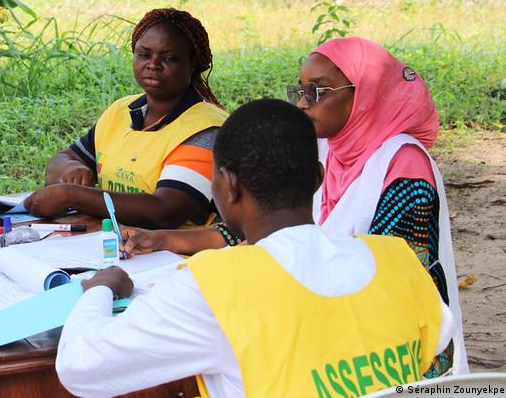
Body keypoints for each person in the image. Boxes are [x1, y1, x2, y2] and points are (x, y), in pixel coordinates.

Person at [55, 99, 455, 398]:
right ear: (316, 179)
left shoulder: (214, 288)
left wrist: (100, 290)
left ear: (228, 186)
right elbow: (437, 338)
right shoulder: (397, 260)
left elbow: (81, 367)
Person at [121, 37, 467, 376]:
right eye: (300, 91)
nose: (303, 103)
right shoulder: (325, 149)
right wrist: (165, 240)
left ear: (363, 93)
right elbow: (261, 219)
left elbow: (397, 275)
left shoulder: (402, 164)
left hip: (391, 350)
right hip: (325, 319)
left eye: (317, 91)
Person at [24, 8, 230, 231]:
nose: (153, 64)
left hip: (178, 256)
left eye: (169, 58)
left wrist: (73, 195)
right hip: (112, 244)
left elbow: (165, 211)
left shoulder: (206, 129)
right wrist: (71, 168)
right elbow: (62, 159)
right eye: (144, 54)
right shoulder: (122, 111)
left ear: (194, 64)